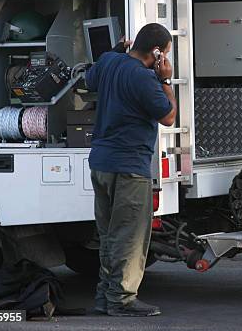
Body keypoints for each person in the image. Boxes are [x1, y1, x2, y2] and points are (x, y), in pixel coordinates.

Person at [85, 23, 177, 317]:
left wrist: (115, 50)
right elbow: (168, 116)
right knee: (129, 237)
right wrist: (166, 80)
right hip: (129, 168)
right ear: (157, 52)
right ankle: (122, 300)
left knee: (109, 234)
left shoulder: (110, 61)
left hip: (101, 163)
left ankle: (105, 296)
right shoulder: (144, 79)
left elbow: (90, 78)